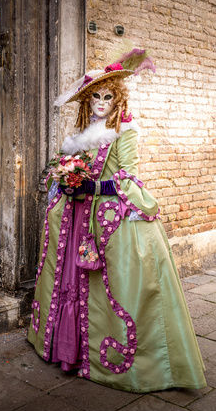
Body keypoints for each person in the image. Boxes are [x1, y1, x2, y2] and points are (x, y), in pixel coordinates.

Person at [28, 42, 206, 392]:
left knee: (108, 284)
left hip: (104, 218)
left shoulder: (125, 131)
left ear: (118, 99)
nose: (100, 103)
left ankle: (101, 357)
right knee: (66, 277)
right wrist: (66, 179)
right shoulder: (78, 138)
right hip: (73, 218)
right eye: (95, 98)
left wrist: (92, 189)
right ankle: (65, 348)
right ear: (86, 102)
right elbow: (68, 170)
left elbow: (128, 177)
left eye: (107, 97)